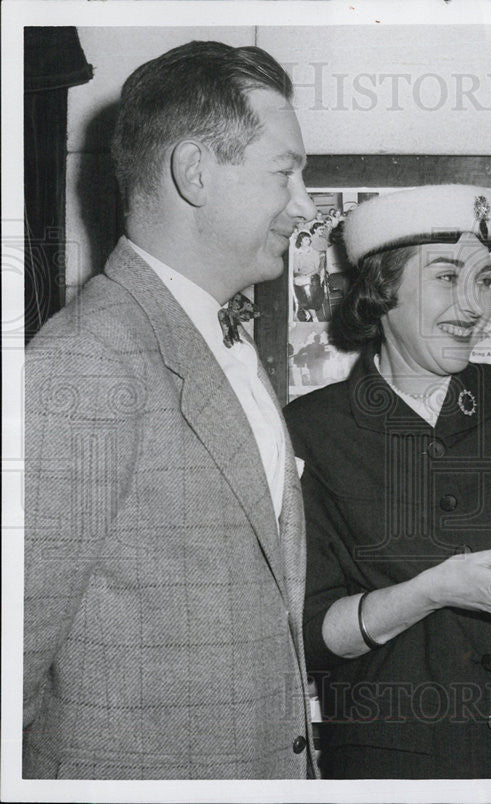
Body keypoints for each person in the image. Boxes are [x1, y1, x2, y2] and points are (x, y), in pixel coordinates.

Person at [23, 41, 318, 779]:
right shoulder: (88, 359)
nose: (307, 206)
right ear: (194, 172)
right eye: (286, 173)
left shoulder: (219, 335)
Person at [283, 185, 491, 778]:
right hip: (402, 770)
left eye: (482, 281)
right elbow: (308, 634)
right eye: (447, 277)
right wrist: (434, 589)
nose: (474, 305)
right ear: (383, 291)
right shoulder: (310, 432)